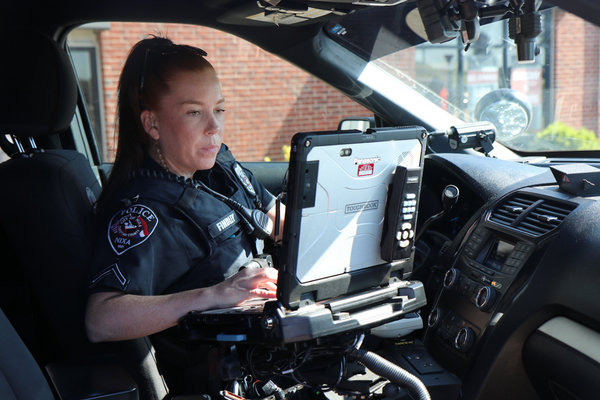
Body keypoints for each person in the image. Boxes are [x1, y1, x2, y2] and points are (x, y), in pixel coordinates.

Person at [85, 35, 282, 346]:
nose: (214, 127)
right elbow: (101, 320)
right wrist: (215, 295)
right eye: (194, 112)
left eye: (219, 110)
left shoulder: (216, 166)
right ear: (152, 123)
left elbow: (274, 216)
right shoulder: (145, 212)